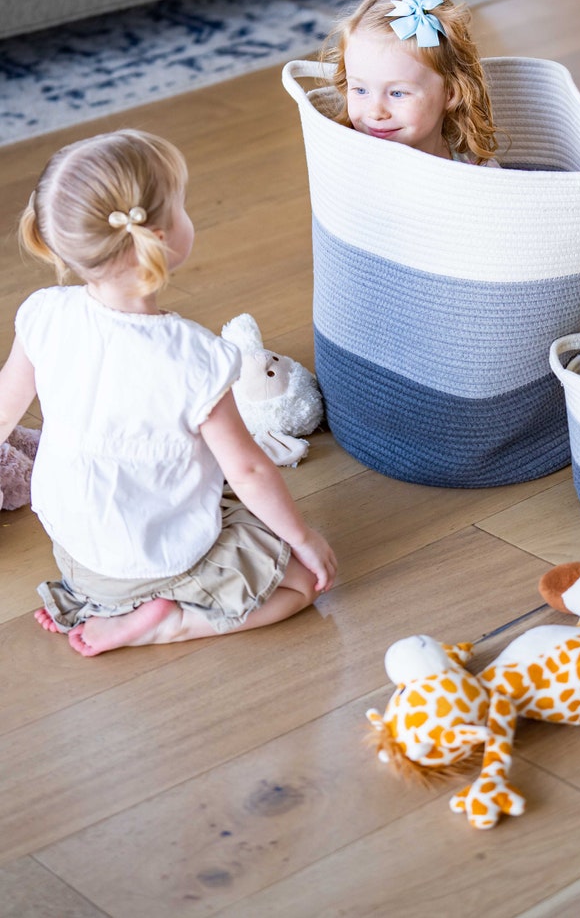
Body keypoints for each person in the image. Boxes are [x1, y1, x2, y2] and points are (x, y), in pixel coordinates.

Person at [0, 129, 337, 657]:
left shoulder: (44, 313)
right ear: (159, 236)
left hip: (73, 550)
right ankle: (171, 623)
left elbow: (3, 408)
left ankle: (105, 601)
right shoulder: (196, 359)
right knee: (299, 586)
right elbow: (249, 471)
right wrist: (304, 540)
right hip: (157, 558)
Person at [322, 0, 501, 164]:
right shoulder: (346, 165)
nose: (376, 112)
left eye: (397, 93)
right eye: (360, 90)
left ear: (450, 93)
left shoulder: (475, 170)